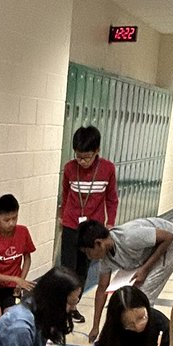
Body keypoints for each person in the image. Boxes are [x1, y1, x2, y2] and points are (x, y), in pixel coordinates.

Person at [78, 216, 173, 342]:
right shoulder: (105, 258)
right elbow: (102, 289)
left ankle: (148, 338)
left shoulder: (129, 237)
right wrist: (95, 326)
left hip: (172, 245)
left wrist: (145, 269)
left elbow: (168, 237)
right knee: (132, 295)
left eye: (88, 252)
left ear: (98, 243)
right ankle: (135, 333)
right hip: (148, 252)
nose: (89, 257)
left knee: (144, 296)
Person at [59, 125, 119, 322]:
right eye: (78, 156)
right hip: (70, 224)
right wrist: (62, 215)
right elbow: (66, 194)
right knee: (67, 269)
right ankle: (61, 309)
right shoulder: (69, 168)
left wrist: (110, 222)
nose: (82, 161)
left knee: (82, 270)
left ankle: (73, 306)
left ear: (97, 151)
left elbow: (111, 198)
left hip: (92, 229)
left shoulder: (107, 169)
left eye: (86, 157)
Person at [0, 193, 36, 327]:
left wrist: (20, 281)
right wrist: (15, 279)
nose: (11, 223)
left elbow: (27, 258)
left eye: (14, 218)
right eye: (6, 220)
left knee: (12, 321)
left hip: (12, 289)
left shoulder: (23, 232)